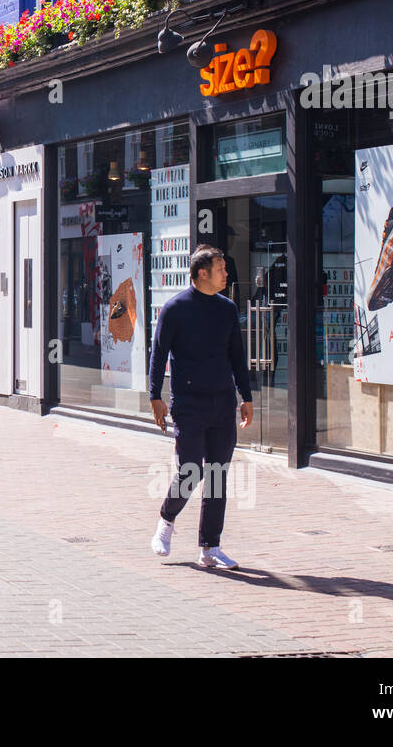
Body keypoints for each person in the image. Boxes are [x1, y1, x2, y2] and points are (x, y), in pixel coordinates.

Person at [148, 244, 254, 571]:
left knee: (218, 476)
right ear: (202, 273)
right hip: (189, 405)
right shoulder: (175, 309)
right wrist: (155, 396)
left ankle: (210, 547)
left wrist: (245, 397)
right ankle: (166, 520)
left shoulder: (226, 309)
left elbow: (237, 356)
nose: (226, 274)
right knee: (190, 471)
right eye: (221, 268)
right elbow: (158, 353)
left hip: (222, 403)